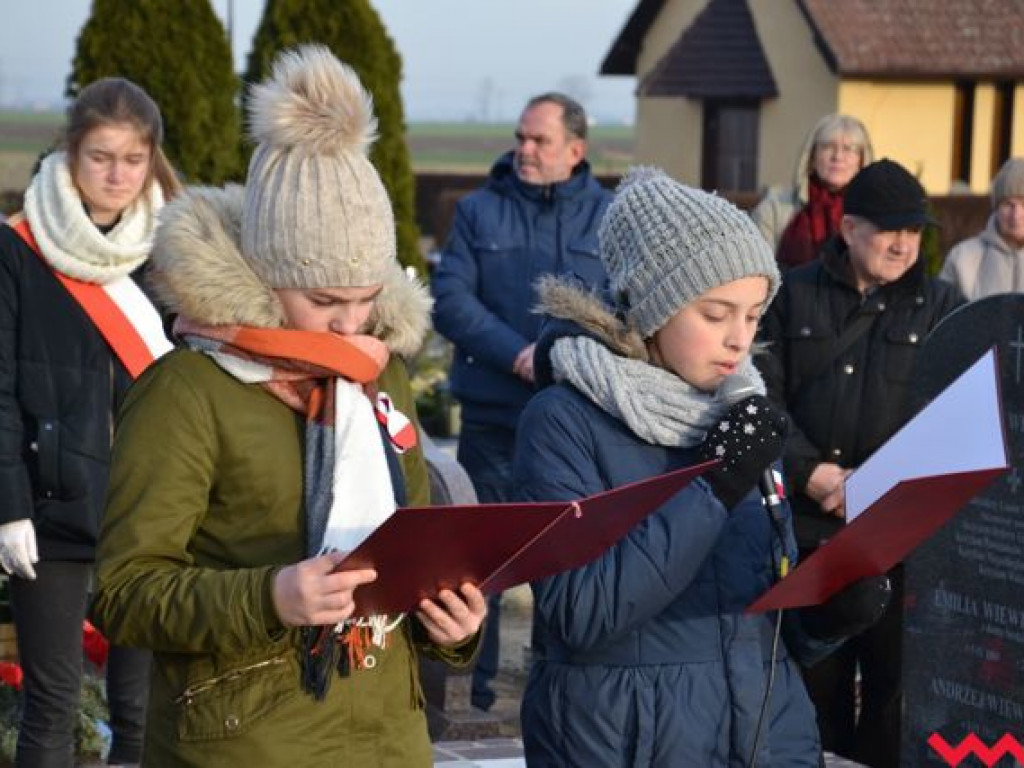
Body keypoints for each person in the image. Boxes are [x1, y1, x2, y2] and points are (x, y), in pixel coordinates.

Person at [90, 46, 485, 766]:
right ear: (269, 279)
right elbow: (123, 592)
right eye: (325, 301)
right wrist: (271, 597)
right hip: (244, 746)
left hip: (388, 740)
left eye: (367, 300)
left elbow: (413, 542)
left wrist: (450, 624)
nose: (350, 326)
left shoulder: (378, 372)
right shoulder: (189, 390)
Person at [513, 167, 890, 766]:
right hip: (629, 739)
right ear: (653, 307)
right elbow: (578, 612)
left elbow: (764, 635)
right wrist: (714, 487)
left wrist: (829, 612)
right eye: (716, 315)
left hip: (767, 738)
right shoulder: (564, 421)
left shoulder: (741, 410)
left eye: (752, 315)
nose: (739, 341)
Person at [757, 159, 963, 767]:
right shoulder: (792, 294)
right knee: (813, 694)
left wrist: (881, 488)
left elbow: (959, 415)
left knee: (892, 698)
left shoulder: (944, 305)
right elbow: (759, 396)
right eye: (889, 229)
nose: (904, 243)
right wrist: (808, 472)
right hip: (811, 531)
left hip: (901, 540)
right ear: (848, 229)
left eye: (915, 230)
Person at [0, 76, 180, 767]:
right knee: (52, 703)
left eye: (133, 160)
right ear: (70, 153)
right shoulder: (18, 249)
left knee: (142, 708)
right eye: (101, 156)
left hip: (146, 508)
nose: (117, 175)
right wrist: (8, 506)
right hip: (49, 508)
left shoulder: (170, 249)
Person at [431, 92, 611, 711]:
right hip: (494, 416)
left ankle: (548, 688)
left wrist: (562, 359)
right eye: (521, 138)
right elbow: (452, 300)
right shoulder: (480, 212)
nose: (525, 150)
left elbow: (621, 308)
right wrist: (518, 354)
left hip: (575, 422)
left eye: (540, 141)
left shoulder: (608, 218)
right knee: (483, 561)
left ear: (576, 151)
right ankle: (475, 695)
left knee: (562, 559)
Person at [751, 113, 874, 270]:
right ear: (812, 157)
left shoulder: (873, 212)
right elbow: (757, 270)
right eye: (828, 147)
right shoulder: (775, 208)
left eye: (849, 149)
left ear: (862, 160)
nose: (837, 156)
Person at [939, 156, 1024, 300]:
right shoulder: (962, 257)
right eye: (1008, 204)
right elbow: (944, 315)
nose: (1016, 214)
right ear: (996, 208)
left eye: (1023, 204)